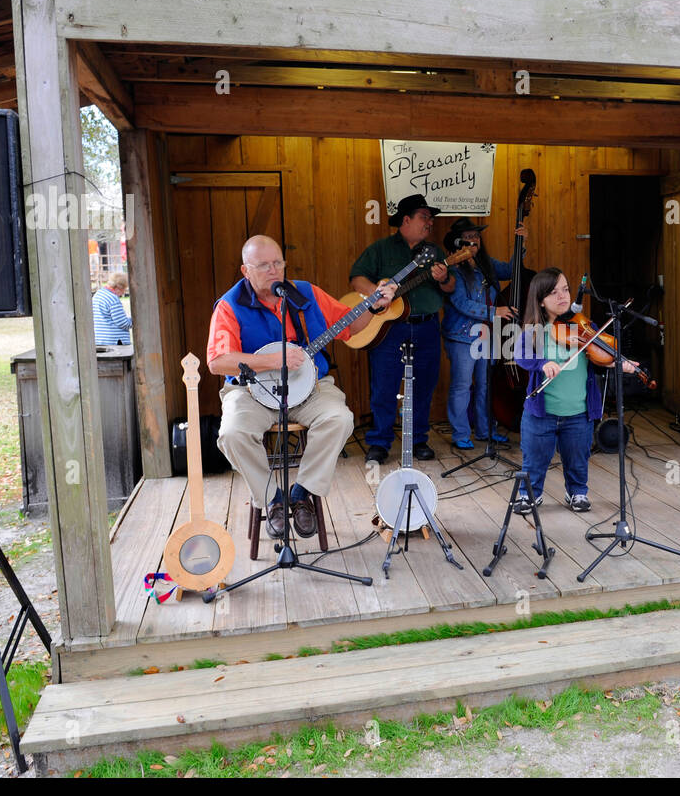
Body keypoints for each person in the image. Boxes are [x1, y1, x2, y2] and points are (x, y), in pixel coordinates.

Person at [207, 235, 395, 539]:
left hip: (310, 387)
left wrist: (373, 308)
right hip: (252, 391)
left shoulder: (305, 293)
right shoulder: (229, 306)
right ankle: (273, 500)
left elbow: (347, 326)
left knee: (339, 419)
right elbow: (218, 362)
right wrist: (273, 360)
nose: (273, 270)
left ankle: (301, 493)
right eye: (264, 265)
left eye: (278, 263)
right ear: (246, 271)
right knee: (232, 434)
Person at [511, 268, 640, 514]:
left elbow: (600, 356)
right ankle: (530, 494)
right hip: (542, 413)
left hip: (578, 411)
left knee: (578, 458)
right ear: (540, 299)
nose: (562, 296)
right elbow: (521, 356)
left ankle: (577, 492)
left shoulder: (583, 326)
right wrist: (542, 363)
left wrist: (622, 363)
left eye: (566, 289)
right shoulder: (534, 331)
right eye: (553, 292)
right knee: (535, 460)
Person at [350, 194, 455, 464]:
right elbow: (357, 278)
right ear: (406, 220)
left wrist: (444, 279)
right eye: (424, 217)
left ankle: (418, 439)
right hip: (389, 329)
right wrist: (377, 294)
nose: (430, 222)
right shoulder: (381, 249)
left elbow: (450, 288)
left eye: (431, 218)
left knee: (424, 385)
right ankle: (379, 442)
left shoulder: (435, 253)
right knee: (384, 385)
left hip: (427, 326)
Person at [441, 217, 521, 449]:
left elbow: (510, 270)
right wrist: (495, 311)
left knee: (486, 385)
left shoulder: (487, 264)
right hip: (462, 335)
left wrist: (520, 243)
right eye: (467, 238)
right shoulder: (453, 268)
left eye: (476, 236)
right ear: (458, 243)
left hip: (486, 335)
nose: (474, 241)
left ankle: (486, 431)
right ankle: (461, 434)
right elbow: (462, 304)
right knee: (462, 385)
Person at [93, 271, 132, 345]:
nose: (123, 293)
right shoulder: (113, 299)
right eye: (124, 289)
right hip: (115, 342)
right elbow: (123, 323)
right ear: (118, 287)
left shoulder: (98, 294)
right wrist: (135, 320)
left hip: (100, 340)